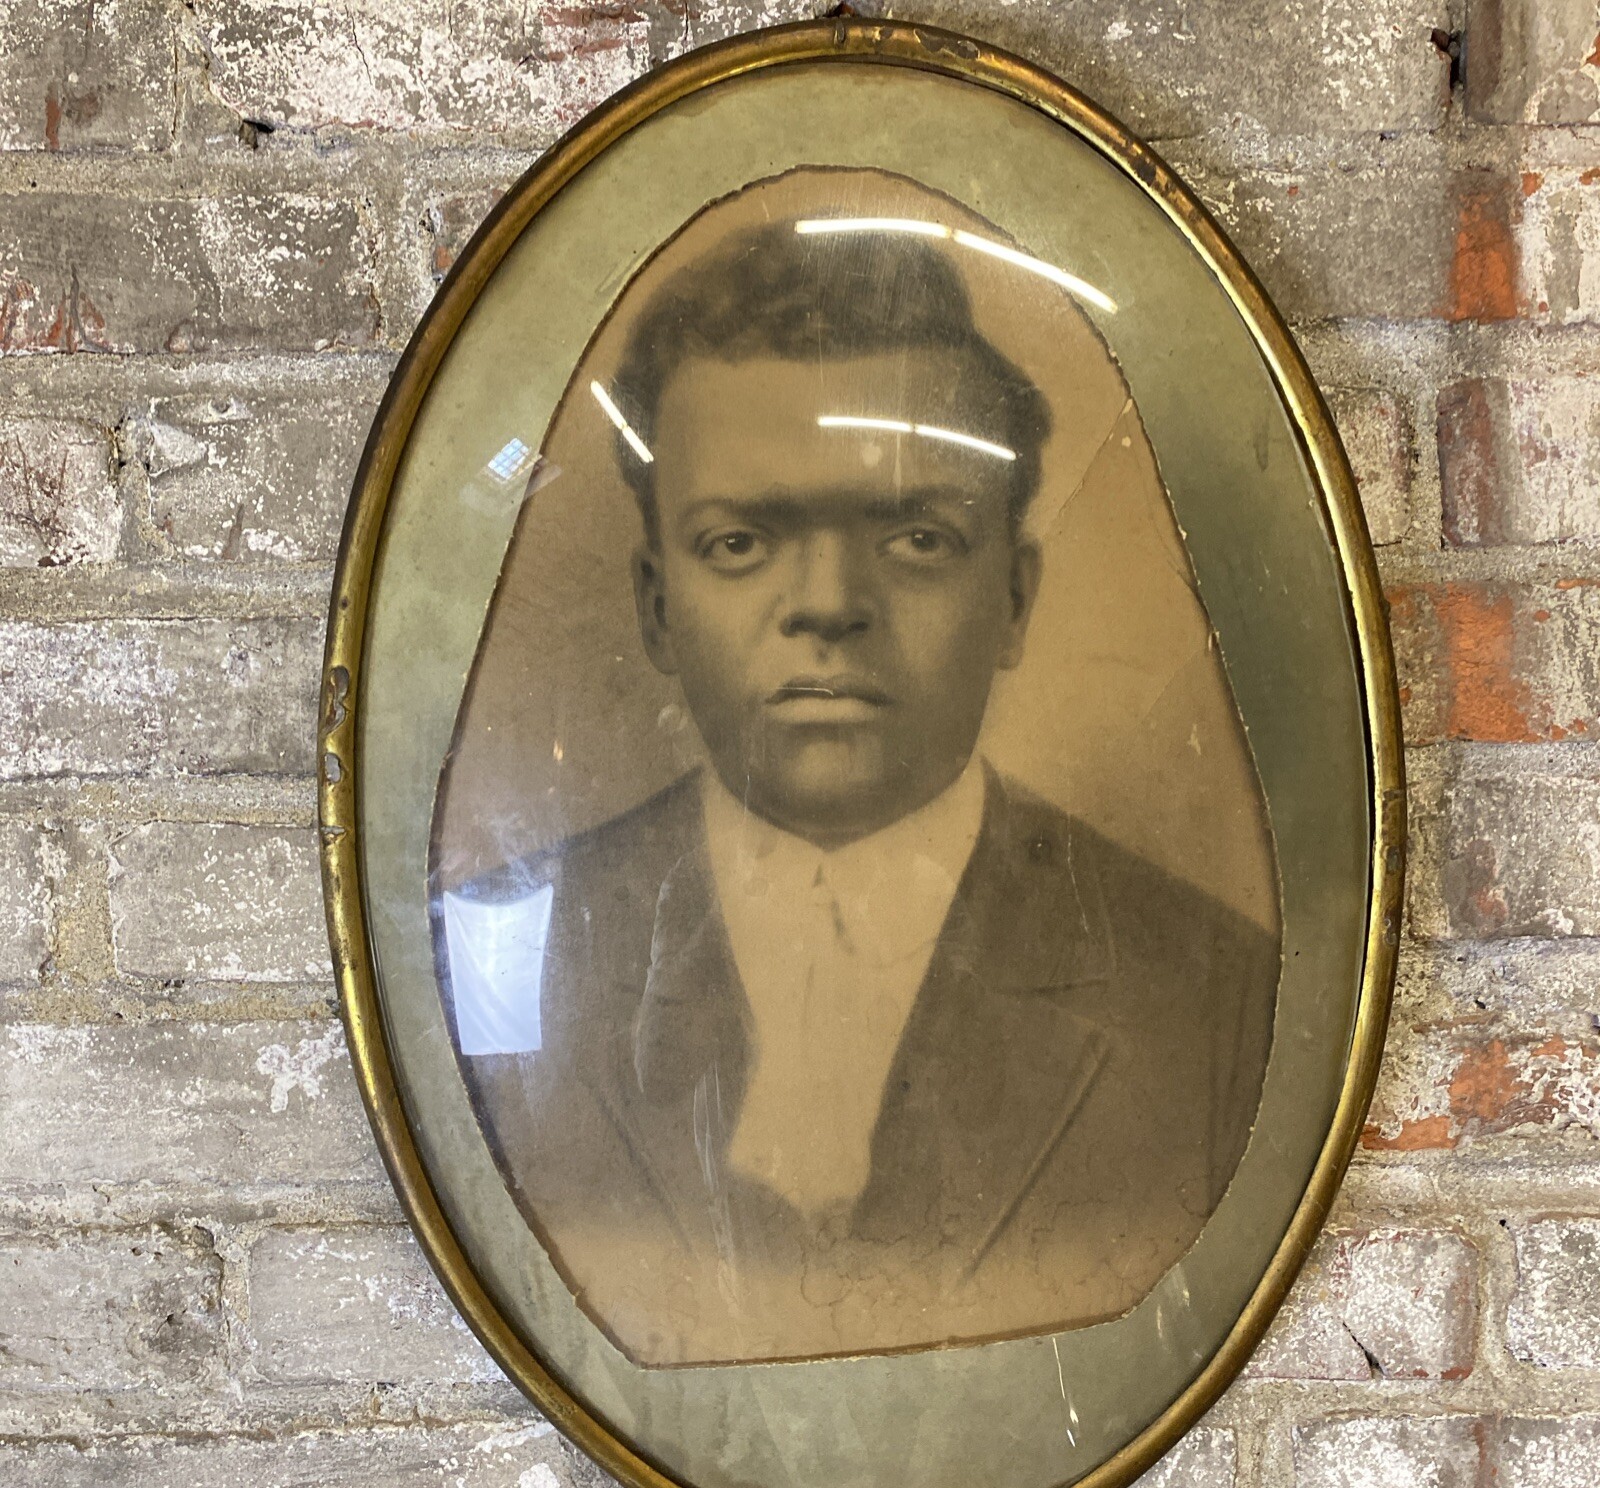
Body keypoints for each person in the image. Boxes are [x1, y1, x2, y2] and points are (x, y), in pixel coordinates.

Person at [435, 218, 1279, 1369]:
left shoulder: (1213, 997)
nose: (828, 603)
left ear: (1016, 596)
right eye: (739, 540)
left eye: (918, 536)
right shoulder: (493, 957)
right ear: (653, 605)